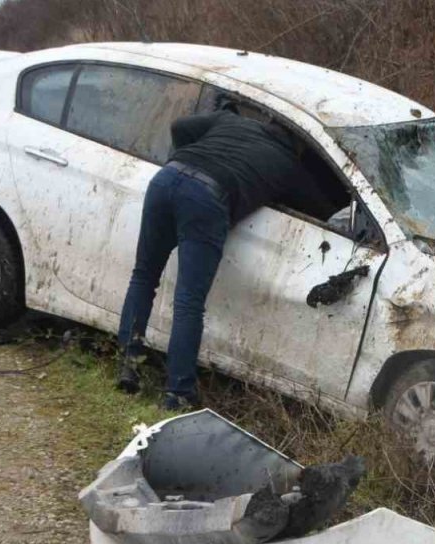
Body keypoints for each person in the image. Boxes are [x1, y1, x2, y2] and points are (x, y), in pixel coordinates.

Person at [116, 101, 336, 409]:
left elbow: (179, 126)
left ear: (269, 120)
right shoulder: (289, 166)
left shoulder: (230, 121)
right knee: (189, 300)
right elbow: (325, 211)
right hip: (207, 199)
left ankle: (128, 363)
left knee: (144, 275)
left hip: (167, 178)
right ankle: (178, 393)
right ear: (301, 144)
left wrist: (186, 160)